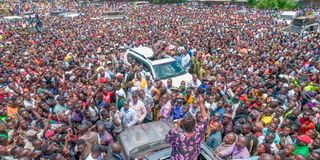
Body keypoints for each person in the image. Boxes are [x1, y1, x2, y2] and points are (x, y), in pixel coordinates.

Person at [165, 95, 208, 160]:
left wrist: (177, 125)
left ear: (183, 126)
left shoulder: (178, 137)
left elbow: (167, 139)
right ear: (194, 125)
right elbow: (205, 118)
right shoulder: (199, 132)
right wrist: (201, 104)